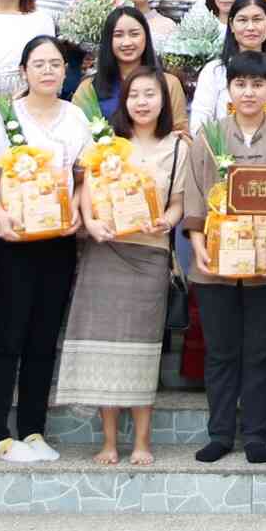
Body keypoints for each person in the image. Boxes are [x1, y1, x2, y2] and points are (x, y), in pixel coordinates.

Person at [180, 50, 266, 463]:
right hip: (214, 264)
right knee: (220, 350)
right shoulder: (208, 135)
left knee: (260, 349)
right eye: (240, 84)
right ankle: (219, 434)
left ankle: (254, 434)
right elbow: (195, 194)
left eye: (257, 84)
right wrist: (198, 248)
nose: (248, 92)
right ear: (228, 89)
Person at [57, 67, 187, 466]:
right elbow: (83, 192)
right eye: (135, 95)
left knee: (141, 350)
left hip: (149, 255)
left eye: (151, 94)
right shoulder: (106, 144)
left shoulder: (179, 146)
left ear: (164, 101)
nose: (143, 102)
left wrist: (167, 220)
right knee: (103, 350)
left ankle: (143, 441)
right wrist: (92, 223)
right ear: (124, 102)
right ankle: (109, 441)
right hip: (105, 252)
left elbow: (179, 201)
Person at [0, 35, 94, 466]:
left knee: (43, 336)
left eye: (55, 64)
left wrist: (81, 214)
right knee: (7, 333)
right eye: (39, 63)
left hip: (59, 239)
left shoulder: (76, 117)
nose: (48, 71)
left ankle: (32, 428)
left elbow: (83, 176)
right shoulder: (4, 117)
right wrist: (0, 217)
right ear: (24, 71)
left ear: (66, 73)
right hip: (12, 239)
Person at [193, 0, 266, 124]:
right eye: (242, 20)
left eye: (257, 19)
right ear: (231, 25)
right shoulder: (214, 72)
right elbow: (200, 124)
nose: (251, 27)